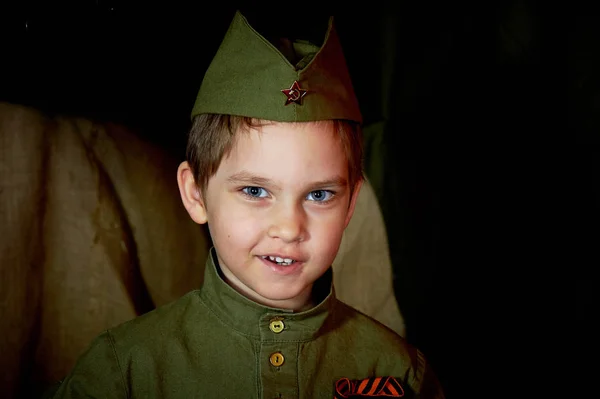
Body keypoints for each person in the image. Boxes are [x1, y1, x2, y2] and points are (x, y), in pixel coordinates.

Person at [50, 10, 445, 398]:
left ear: (351, 205)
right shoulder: (125, 372)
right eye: (255, 191)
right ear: (195, 194)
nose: (289, 228)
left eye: (319, 195)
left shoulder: (399, 373)